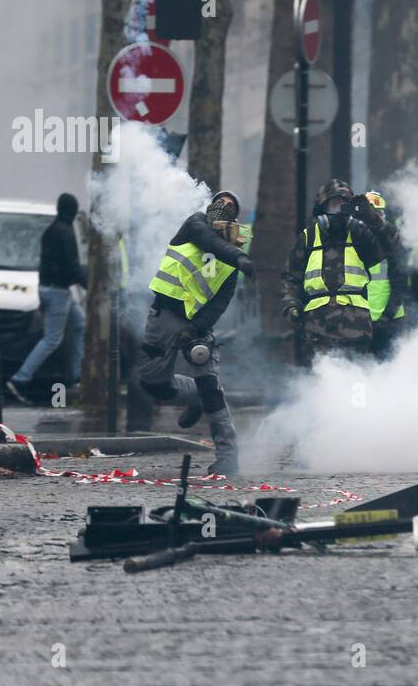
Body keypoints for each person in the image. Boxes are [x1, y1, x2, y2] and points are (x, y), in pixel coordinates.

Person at [135, 190, 255, 476]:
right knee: (153, 384)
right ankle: (195, 397)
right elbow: (209, 240)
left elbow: (220, 301)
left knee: (209, 385)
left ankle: (228, 457)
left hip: (197, 326)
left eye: (230, 206)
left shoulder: (233, 252)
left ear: (235, 217)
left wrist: (197, 328)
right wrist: (239, 257)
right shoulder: (195, 224)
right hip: (164, 315)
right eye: (220, 202)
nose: (223, 207)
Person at [281, 179, 398, 364]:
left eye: (344, 205)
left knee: (355, 379)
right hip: (317, 327)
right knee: (320, 383)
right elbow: (291, 278)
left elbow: (391, 245)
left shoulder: (360, 233)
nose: (338, 210)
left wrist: (371, 218)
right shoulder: (309, 236)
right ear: (322, 208)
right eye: (333, 204)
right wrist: (291, 306)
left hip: (356, 327)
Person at [6, 193, 87, 404]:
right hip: (59, 291)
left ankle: (77, 375)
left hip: (51, 288)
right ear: (72, 210)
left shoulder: (51, 230)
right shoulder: (66, 232)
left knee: (80, 324)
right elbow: (71, 265)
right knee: (52, 338)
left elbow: (47, 263)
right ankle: (20, 379)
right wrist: (87, 282)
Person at [362, 190, 408, 360]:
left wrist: (387, 315)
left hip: (388, 322)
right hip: (359, 322)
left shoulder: (392, 243)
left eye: (377, 215)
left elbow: (400, 281)